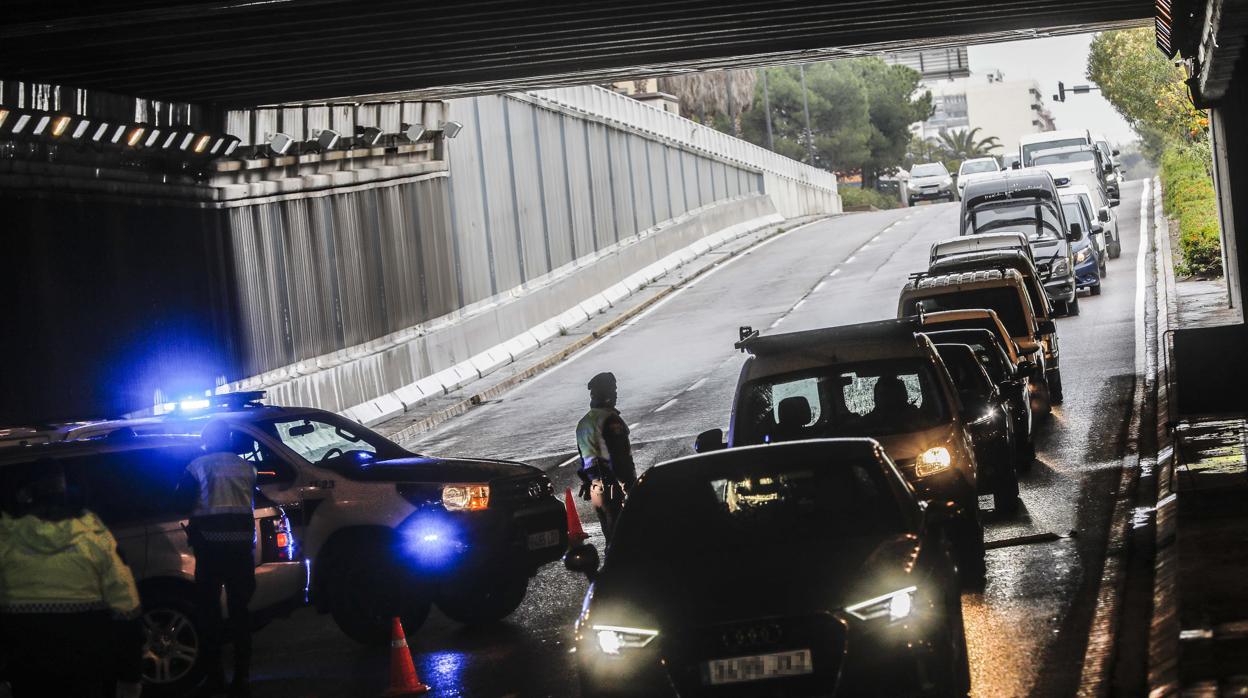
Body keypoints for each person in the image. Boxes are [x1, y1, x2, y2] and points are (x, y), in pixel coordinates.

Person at [0, 461, 143, 698]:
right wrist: (130, 676)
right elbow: (127, 611)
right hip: (87, 673)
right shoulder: (97, 540)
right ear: (66, 493)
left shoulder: (6, 542)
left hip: (26, 674)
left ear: (25, 495)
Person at [179, 420, 257, 698]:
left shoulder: (198, 465)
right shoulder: (246, 467)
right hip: (241, 550)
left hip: (210, 549)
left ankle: (215, 678)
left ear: (206, 440)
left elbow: (181, 499)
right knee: (240, 615)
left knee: (209, 615)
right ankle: (243, 678)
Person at [575, 372, 637, 542]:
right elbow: (620, 457)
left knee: (609, 536)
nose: (615, 394)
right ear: (605, 394)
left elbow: (583, 458)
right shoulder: (610, 419)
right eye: (612, 390)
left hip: (595, 488)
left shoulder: (584, 422)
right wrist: (631, 486)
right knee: (623, 537)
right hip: (612, 486)